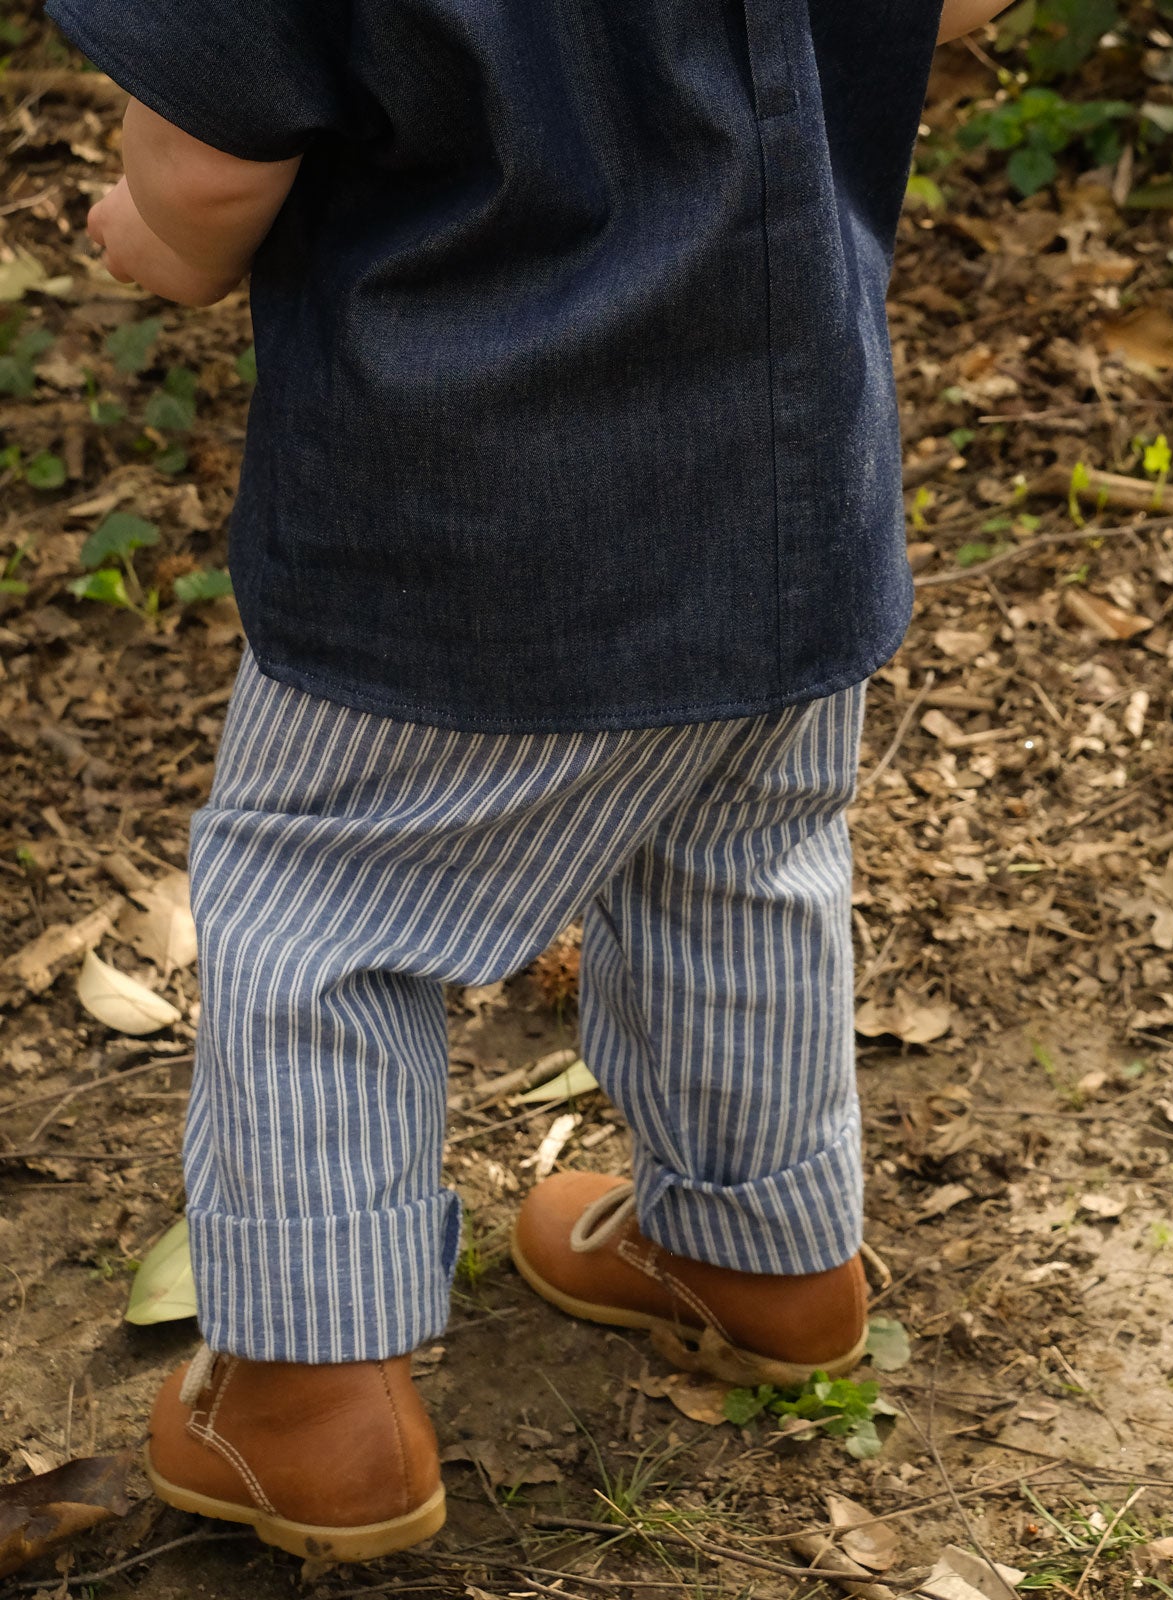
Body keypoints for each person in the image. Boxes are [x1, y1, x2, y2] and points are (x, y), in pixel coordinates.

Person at [49, 0, 1017, 1562]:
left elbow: (210, 151)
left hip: (476, 512)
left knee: (326, 902)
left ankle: (304, 1399)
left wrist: (156, 232)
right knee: (743, 848)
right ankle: (760, 1248)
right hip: (786, 463)